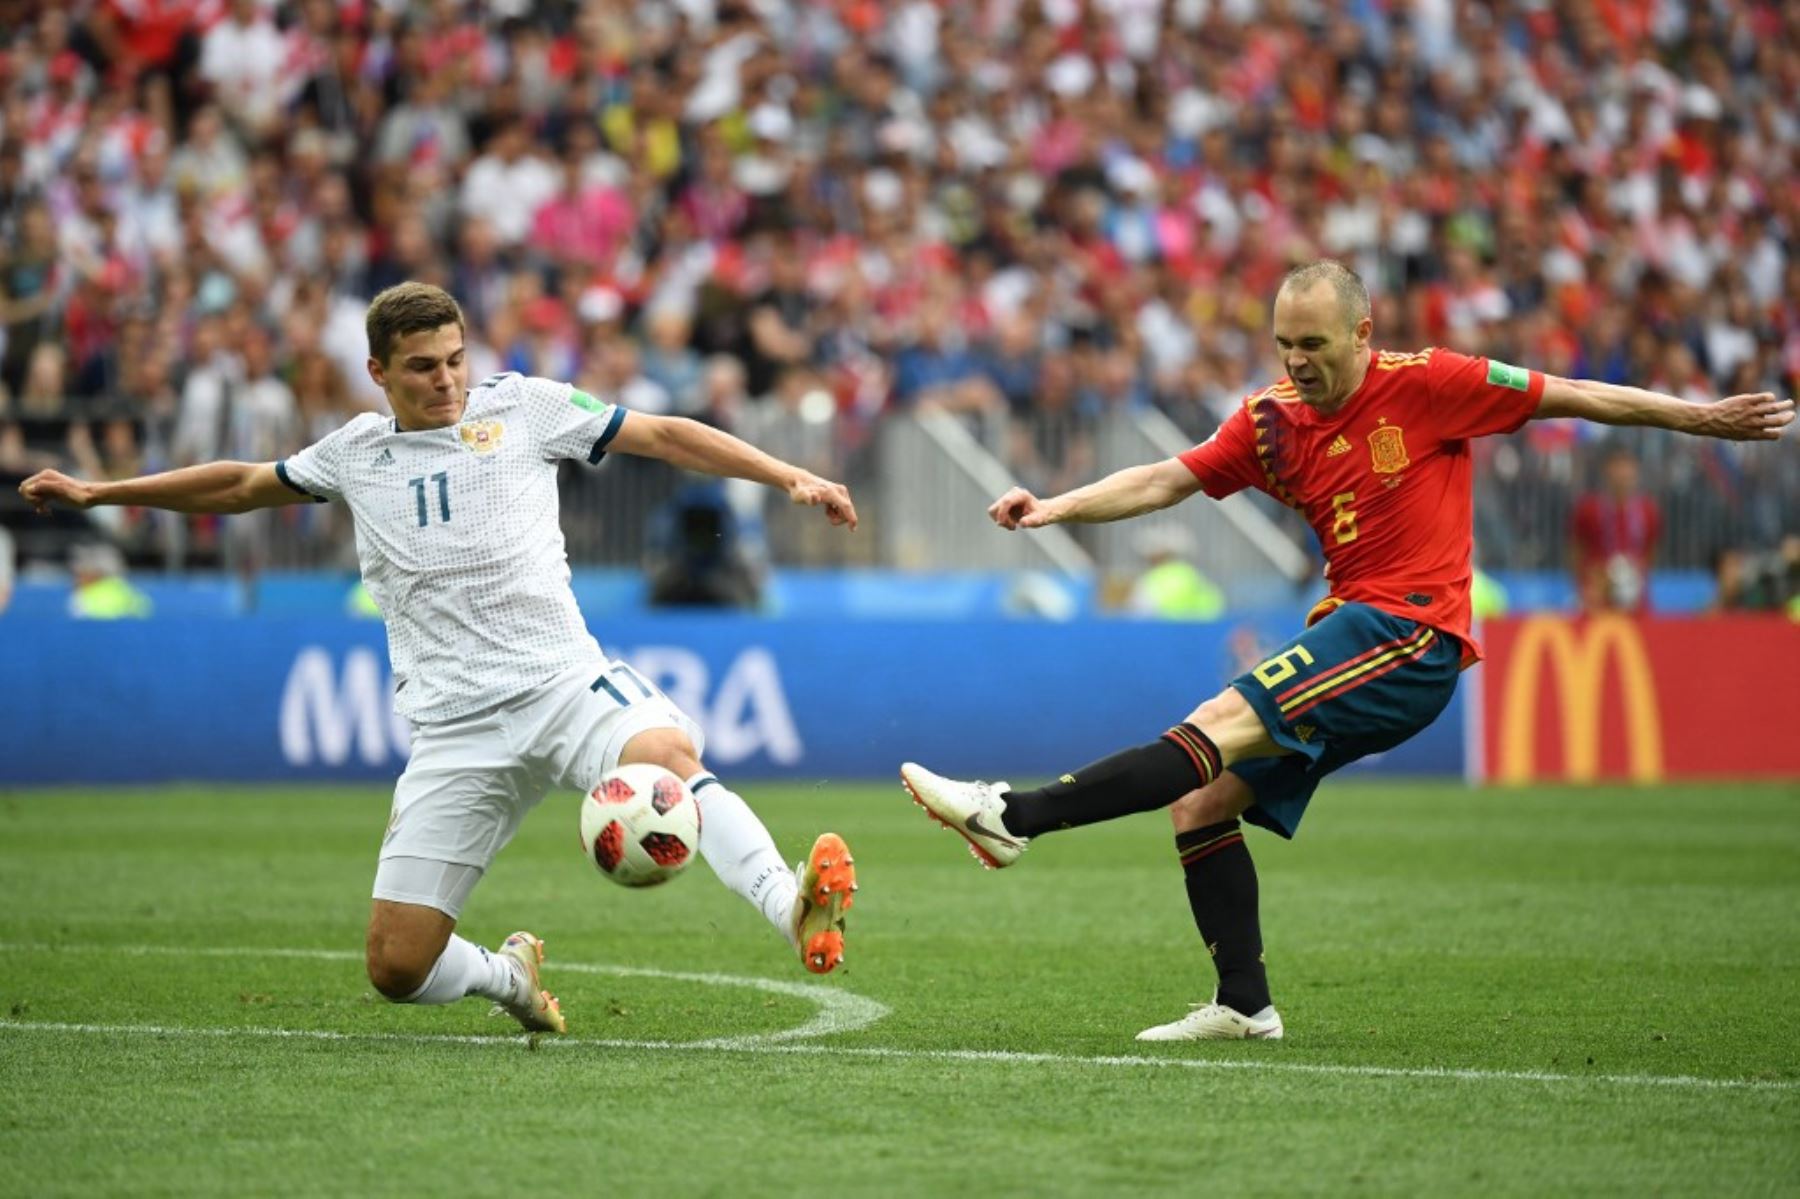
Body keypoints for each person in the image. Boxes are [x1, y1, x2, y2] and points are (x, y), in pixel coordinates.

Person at [900, 260, 1793, 1042]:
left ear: (1362, 335)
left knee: (1215, 720)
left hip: (1411, 630)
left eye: (1315, 343)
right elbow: (1166, 477)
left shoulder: (1432, 382)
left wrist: (1699, 418)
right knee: (1201, 802)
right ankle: (1244, 1002)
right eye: (1285, 341)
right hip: (1351, 629)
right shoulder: (1270, 421)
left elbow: (1575, 393)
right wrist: (1055, 505)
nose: (1297, 360)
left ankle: (1013, 814)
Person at [21, 282, 862, 1036]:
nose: (447, 380)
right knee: (396, 965)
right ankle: (509, 977)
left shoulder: (527, 408)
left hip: (563, 682)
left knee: (667, 758)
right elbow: (241, 485)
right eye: (422, 367)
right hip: (455, 729)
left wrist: (787, 475)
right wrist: (102, 492)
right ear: (378, 372)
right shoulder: (353, 452)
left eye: (457, 359)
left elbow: (667, 434)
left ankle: (791, 906)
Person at [1569, 442, 1661, 612]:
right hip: (1597, 599)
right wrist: (1591, 581)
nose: (1622, 473)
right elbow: (1576, 550)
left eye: (1627, 466)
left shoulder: (1649, 510)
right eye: (1617, 466)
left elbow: (1651, 552)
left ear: (1636, 470)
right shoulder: (1588, 508)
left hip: (1635, 600)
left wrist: (1634, 575)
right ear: (1607, 470)